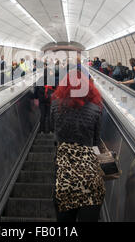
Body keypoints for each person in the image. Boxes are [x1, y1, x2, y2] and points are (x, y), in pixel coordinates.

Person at [50, 69, 106, 222]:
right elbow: (96, 141)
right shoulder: (96, 108)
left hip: (64, 171)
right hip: (90, 173)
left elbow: (51, 128)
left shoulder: (55, 105)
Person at [33, 63, 55, 134]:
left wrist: (36, 97)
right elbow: (55, 89)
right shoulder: (51, 79)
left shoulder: (39, 79)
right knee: (49, 114)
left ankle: (42, 130)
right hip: (49, 99)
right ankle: (50, 130)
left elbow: (36, 89)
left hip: (42, 100)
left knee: (42, 114)